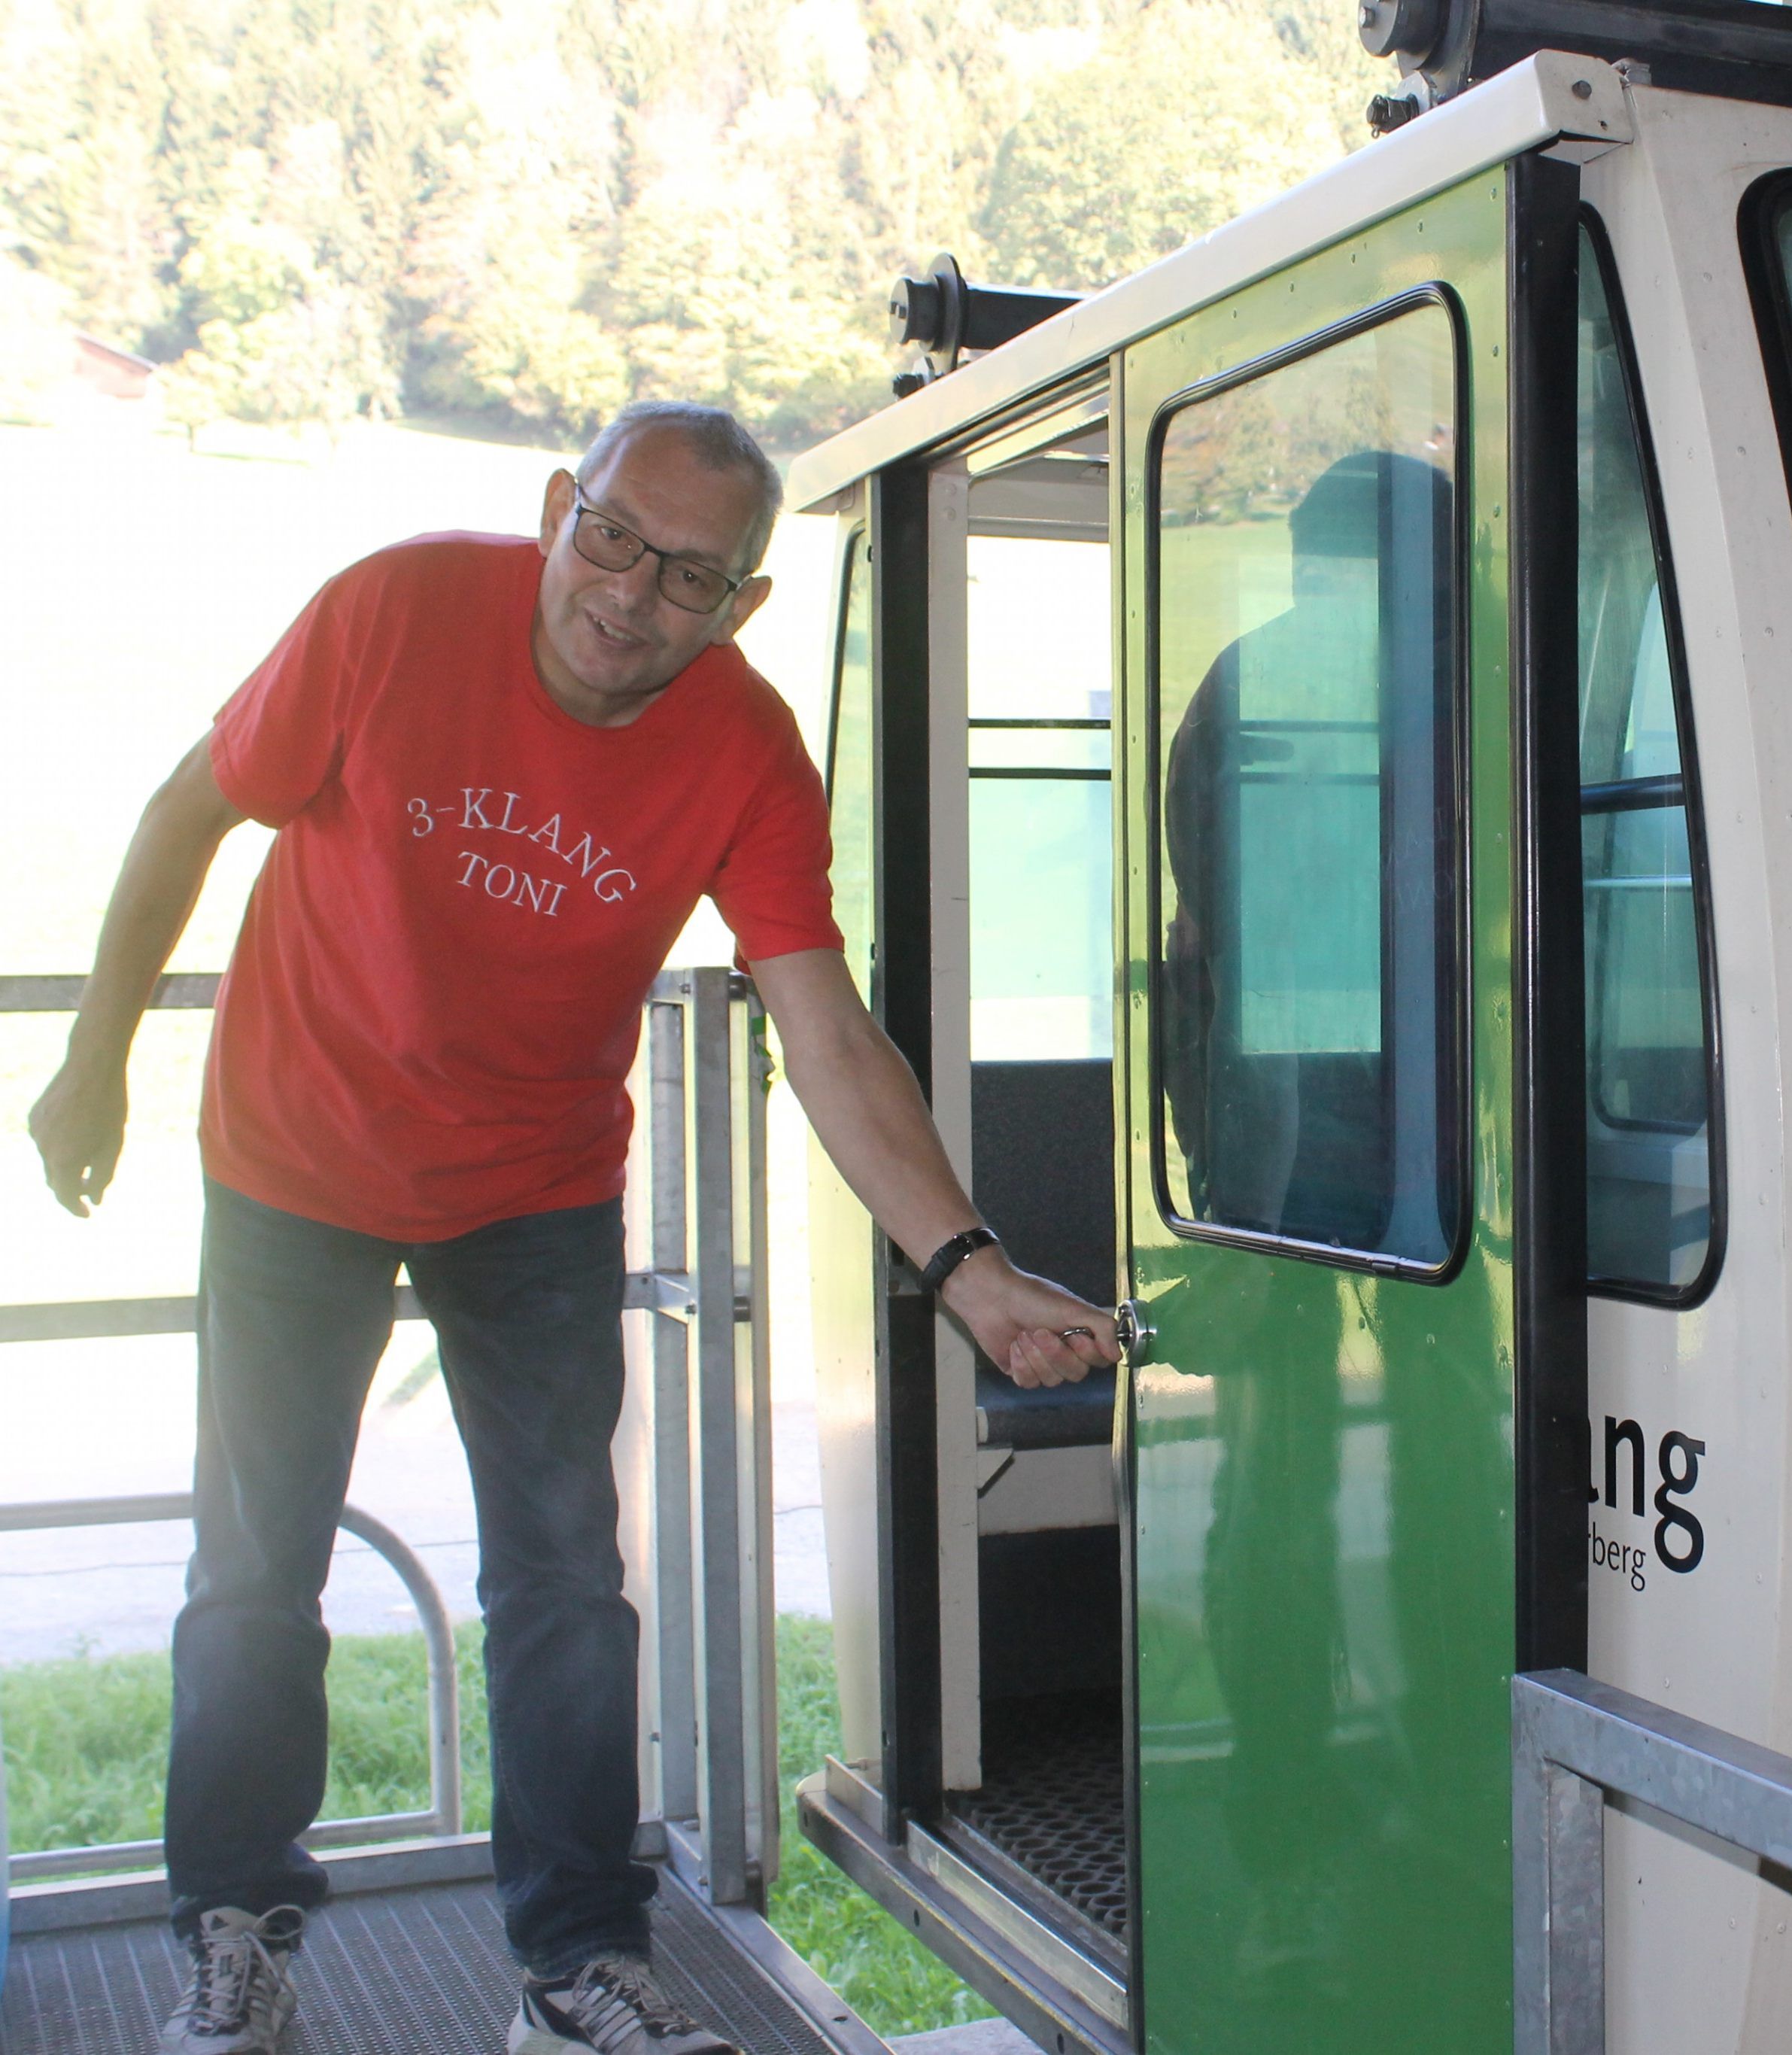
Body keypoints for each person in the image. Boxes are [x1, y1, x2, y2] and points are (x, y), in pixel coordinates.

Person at [25, 400, 1117, 2055]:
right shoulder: (390, 614)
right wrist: (95, 1054)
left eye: (689, 575)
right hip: (293, 1156)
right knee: (256, 1569)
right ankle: (234, 1930)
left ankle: (576, 1963)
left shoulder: (745, 748)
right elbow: (191, 808)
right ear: (558, 505)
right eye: (610, 535)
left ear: (744, 604)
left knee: (564, 1583)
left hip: (530, 1185)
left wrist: (965, 1266)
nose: (629, 593)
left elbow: (822, 1023)